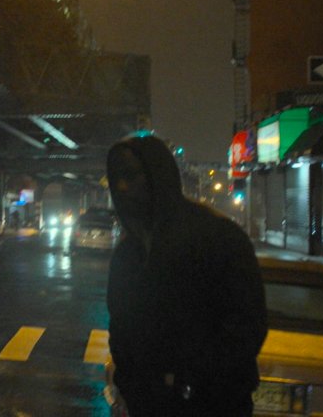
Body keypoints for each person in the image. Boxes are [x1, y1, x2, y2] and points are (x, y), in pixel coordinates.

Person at [105, 135, 268, 416]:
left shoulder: (217, 238)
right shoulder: (128, 253)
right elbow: (121, 331)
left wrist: (188, 382)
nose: (122, 187)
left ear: (158, 176)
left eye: (132, 176)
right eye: (116, 178)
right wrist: (132, 387)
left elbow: (246, 327)